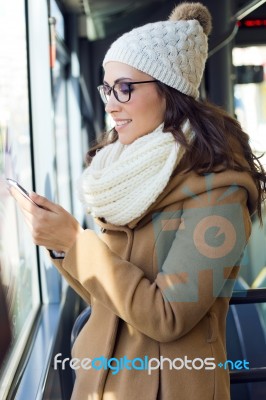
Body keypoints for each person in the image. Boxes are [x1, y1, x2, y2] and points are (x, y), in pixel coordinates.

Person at [9, 2, 266, 399]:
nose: (111, 103)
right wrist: (62, 248)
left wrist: (76, 243)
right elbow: (109, 296)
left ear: (170, 91)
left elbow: (167, 316)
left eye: (124, 88)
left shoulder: (220, 193)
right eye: (106, 88)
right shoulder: (125, 172)